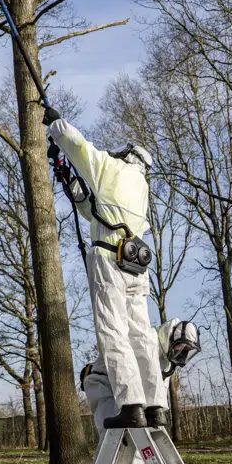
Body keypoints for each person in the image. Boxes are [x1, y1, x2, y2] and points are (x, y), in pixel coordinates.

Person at [46, 106, 166, 428]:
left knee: (113, 330)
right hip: (135, 264)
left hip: (109, 260)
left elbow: (79, 146)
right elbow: (96, 211)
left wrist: (55, 124)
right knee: (142, 333)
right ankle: (155, 405)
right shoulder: (141, 190)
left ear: (128, 156)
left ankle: (130, 404)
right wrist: (71, 182)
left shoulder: (113, 169)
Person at [81, 319, 202, 464]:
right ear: (170, 337)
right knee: (112, 445)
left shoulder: (165, 360)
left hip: (128, 397)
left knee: (137, 456)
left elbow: (157, 394)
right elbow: (133, 380)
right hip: (105, 388)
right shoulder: (146, 343)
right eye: (180, 346)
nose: (181, 352)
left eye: (186, 349)